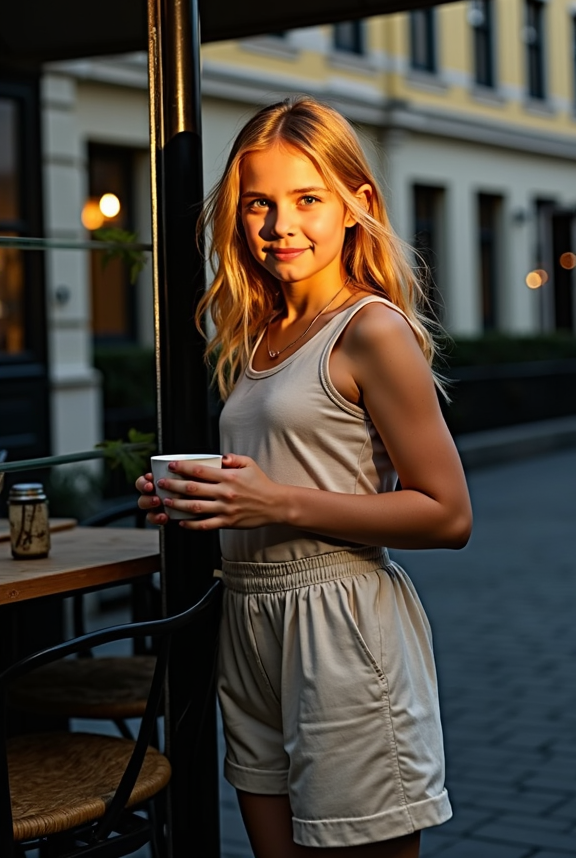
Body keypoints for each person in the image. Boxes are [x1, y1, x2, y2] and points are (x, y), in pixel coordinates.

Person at [137, 97, 472, 858]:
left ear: (358, 205)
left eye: (307, 199)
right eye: (259, 203)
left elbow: (449, 515)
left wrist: (274, 499)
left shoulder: (372, 330)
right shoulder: (257, 333)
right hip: (248, 621)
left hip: (341, 627)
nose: (279, 225)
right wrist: (195, 497)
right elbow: (272, 472)